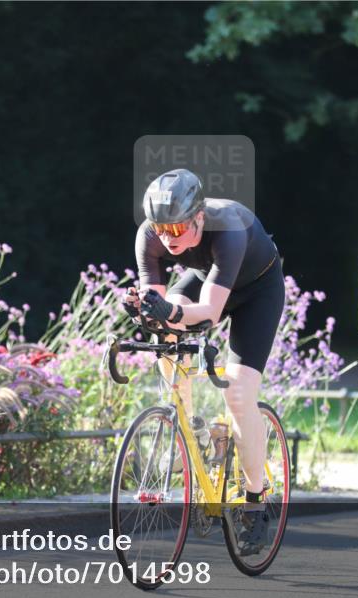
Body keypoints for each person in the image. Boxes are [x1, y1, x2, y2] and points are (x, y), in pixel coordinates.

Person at [124, 168, 284, 556]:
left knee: (238, 394)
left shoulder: (227, 227)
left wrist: (169, 312)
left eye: (177, 228)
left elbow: (209, 313)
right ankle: (190, 431)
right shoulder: (149, 235)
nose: (168, 237)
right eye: (161, 228)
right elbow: (159, 308)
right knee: (164, 334)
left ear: (199, 217)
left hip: (258, 290)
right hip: (206, 275)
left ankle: (255, 501)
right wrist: (145, 312)